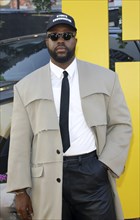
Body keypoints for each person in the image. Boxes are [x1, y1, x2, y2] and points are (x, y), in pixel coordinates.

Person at [7, 12, 132, 220]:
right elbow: (20, 141)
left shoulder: (106, 78)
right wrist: (20, 191)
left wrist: (105, 165)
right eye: (54, 36)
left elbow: (121, 125)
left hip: (92, 174)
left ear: (75, 39)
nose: (61, 41)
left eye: (67, 35)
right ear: (47, 41)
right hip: (45, 180)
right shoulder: (25, 87)